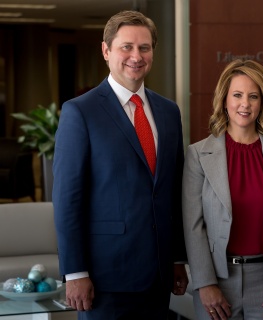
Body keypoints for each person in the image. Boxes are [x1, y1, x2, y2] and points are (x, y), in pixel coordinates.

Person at [52, 10, 188, 319]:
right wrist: (75, 273)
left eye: (144, 47)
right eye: (126, 46)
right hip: (105, 278)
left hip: (158, 276)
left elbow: (174, 191)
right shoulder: (79, 113)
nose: (136, 56)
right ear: (106, 50)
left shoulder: (168, 112)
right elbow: (67, 200)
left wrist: (177, 258)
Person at [182, 59, 263, 320]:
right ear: (224, 99)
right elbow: (193, 226)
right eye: (237, 95)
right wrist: (204, 283)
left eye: (253, 96)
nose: (245, 104)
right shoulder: (198, 154)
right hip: (217, 280)